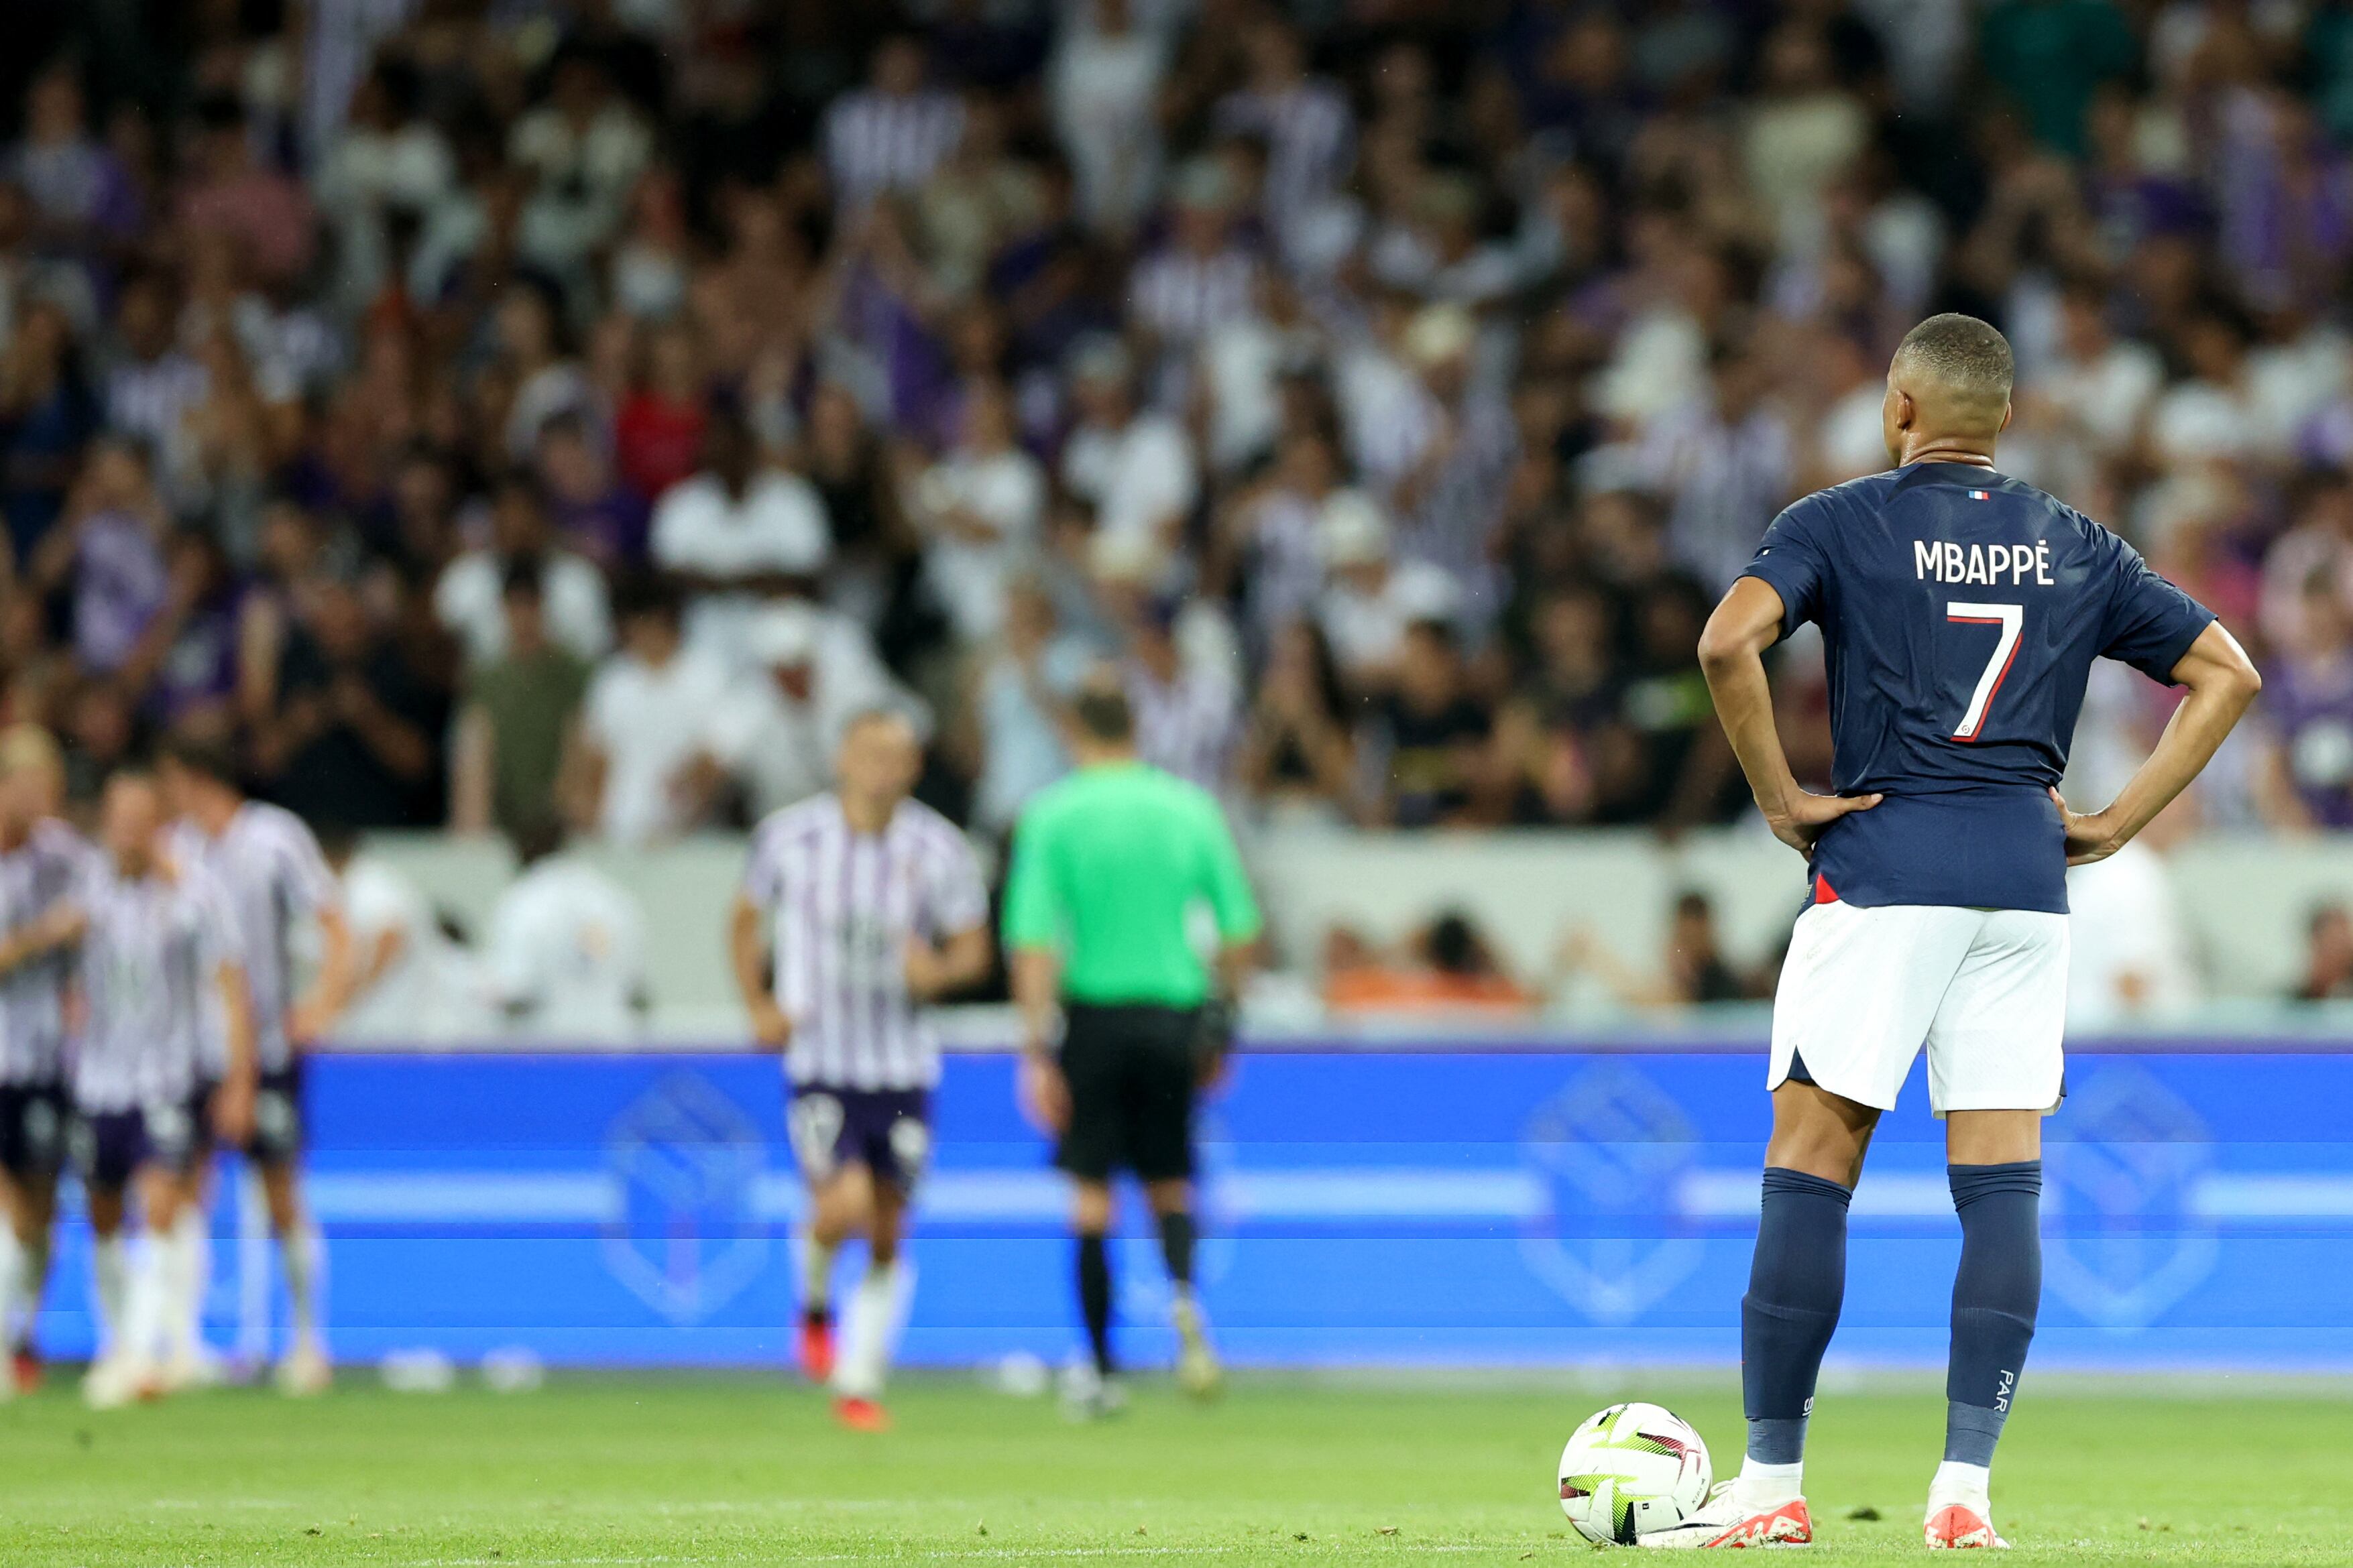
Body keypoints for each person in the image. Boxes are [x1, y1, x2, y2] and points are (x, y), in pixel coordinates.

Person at [1680, 314, 2260, 1549]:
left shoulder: (1836, 520)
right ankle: (1962, 1493)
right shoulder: (2074, 541)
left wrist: (1780, 797)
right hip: (2021, 879)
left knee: (1809, 1156)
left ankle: (1771, 1485)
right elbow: (2227, 673)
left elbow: (1726, 638)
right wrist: (2111, 822)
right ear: (2003, 415)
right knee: (1999, 1183)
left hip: (1884, 864)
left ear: (1898, 407)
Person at [1002, 678, 1262, 1416]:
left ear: (1073, 731)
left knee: (1090, 1194)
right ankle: (1182, 1299)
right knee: (1170, 1180)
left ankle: (1099, 1363)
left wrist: (1034, 1047)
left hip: (1093, 1016)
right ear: (1135, 728)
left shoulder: (1053, 814)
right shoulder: (1187, 807)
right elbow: (1238, 927)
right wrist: (1222, 1018)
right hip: (1172, 1013)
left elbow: (1032, 940)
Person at [728, 709, 990, 1431]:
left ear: (912, 767)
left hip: (902, 1064)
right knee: (838, 1205)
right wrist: (759, 1002)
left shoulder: (938, 847)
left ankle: (858, 1378)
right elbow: (744, 919)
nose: (881, 767)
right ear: (843, 756)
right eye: (868, 751)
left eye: (896, 755)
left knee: (885, 1227)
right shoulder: (789, 837)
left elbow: (974, 948)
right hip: (822, 1058)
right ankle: (814, 1304)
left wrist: (935, 971)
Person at [159, 733, 357, 1396]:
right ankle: (181, 1344)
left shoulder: (274, 838)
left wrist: (323, 1001)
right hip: (191, 1050)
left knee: (280, 1193)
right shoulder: (177, 851)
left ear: (195, 778)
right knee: (185, 1190)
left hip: (267, 1046)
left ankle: (307, 1342)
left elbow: (333, 920)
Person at [72, 769, 257, 1408]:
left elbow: (231, 982)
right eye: (117, 816)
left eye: (138, 818)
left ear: (157, 825)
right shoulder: (85, 888)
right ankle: (121, 1341)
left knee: (159, 1206)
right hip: (96, 1082)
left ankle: (139, 1353)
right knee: (101, 1216)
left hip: (166, 1078)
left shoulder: (192, 893)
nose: (126, 830)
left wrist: (239, 1076)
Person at [0, 727, 95, 1392]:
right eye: (28, 783)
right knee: (6, 1206)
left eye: (49, 784)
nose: (41, 798)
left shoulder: (64, 855)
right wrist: (41, 938)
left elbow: (104, 914)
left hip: (45, 1058)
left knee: (40, 1210)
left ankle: (20, 1333)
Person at [481, 820, 648, 1042]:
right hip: (614, 1045)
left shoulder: (523, 902)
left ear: (520, 850)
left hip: (547, 1052)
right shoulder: (614, 899)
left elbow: (514, 991)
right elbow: (638, 993)